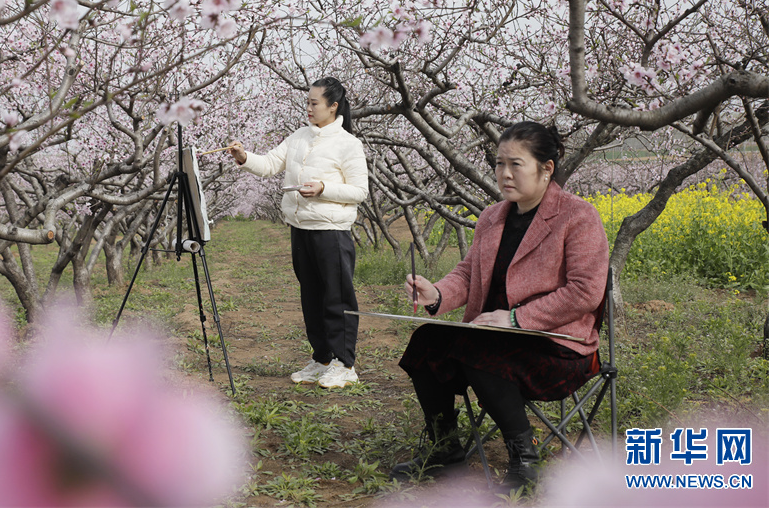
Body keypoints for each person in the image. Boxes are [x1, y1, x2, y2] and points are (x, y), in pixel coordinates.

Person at [392, 121, 609, 490]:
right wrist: (438, 293)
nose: (504, 174)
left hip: (556, 347)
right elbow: (469, 272)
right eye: (498, 164)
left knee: (479, 348)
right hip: (491, 337)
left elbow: (585, 291)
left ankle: (525, 460)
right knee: (426, 343)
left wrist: (516, 319)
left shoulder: (577, 216)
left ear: (546, 168)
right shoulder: (493, 217)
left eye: (515, 164)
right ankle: (446, 451)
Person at [228, 77, 369, 389]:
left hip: (331, 231)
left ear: (333, 106)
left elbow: (359, 191)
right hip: (300, 228)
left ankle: (345, 364)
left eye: (314, 103)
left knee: (337, 297)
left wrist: (323, 188)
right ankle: (321, 358)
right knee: (312, 297)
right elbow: (269, 165)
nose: (308, 108)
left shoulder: (348, 144)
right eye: (307, 102)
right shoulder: (298, 138)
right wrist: (244, 156)